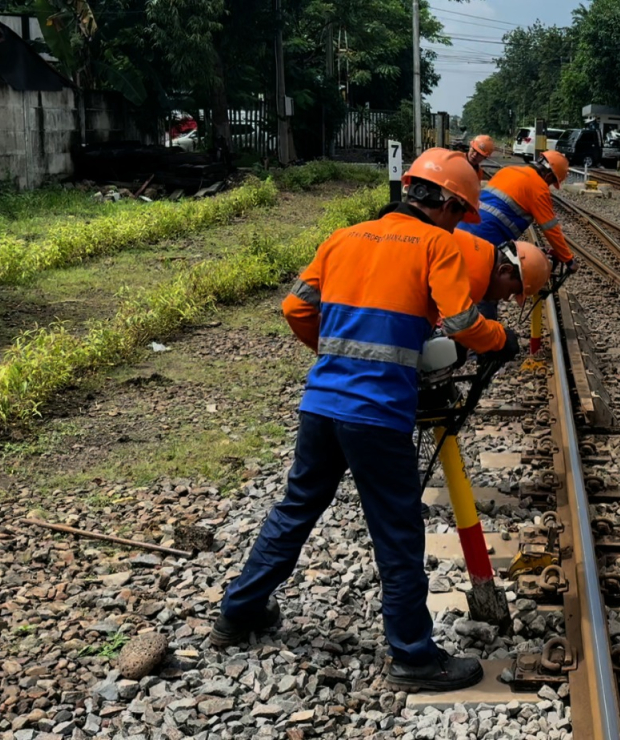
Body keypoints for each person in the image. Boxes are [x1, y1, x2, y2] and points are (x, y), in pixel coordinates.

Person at [210, 148, 520, 693]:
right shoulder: (436, 244)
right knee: (398, 532)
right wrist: (503, 340)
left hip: (321, 404)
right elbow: (464, 321)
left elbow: (296, 309)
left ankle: (239, 612)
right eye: (458, 212)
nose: (457, 223)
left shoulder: (342, 238)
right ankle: (413, 657)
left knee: (296, 508)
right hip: (377, 415)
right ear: (444, 202)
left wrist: (338, 359)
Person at [458, 149, 575, 318]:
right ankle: (486, 335)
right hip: (487, 237)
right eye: (551, 183)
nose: (549, 186)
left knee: (460, 280)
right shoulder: (538, 187)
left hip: (463, 226)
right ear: (549, 177)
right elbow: (550, 228)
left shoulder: (508, 170)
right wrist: (568, 259)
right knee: (488, 286)